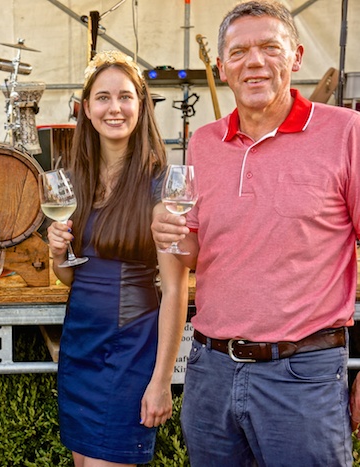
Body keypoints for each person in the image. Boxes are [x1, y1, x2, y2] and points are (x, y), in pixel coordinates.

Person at [151, 1, 360, 465]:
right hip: (211, 371)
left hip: (302, 375)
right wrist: (165, 229)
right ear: (223, 67)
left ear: (296, 57)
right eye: (240, 51)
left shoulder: (346, 133)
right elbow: (194, 251)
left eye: (270, 47)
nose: (255, 62)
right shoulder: (205, 142)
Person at [47, 50, 189, 466]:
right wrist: (58, 253)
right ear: (86, 109)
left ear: (141, 107)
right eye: (103, 98)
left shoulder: (160, 184)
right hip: (80, 346)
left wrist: (161, 380)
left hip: (129, 350)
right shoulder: (75, 180)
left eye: (125, 97)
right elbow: (70, 277)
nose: (115, 108)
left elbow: (177, 289)